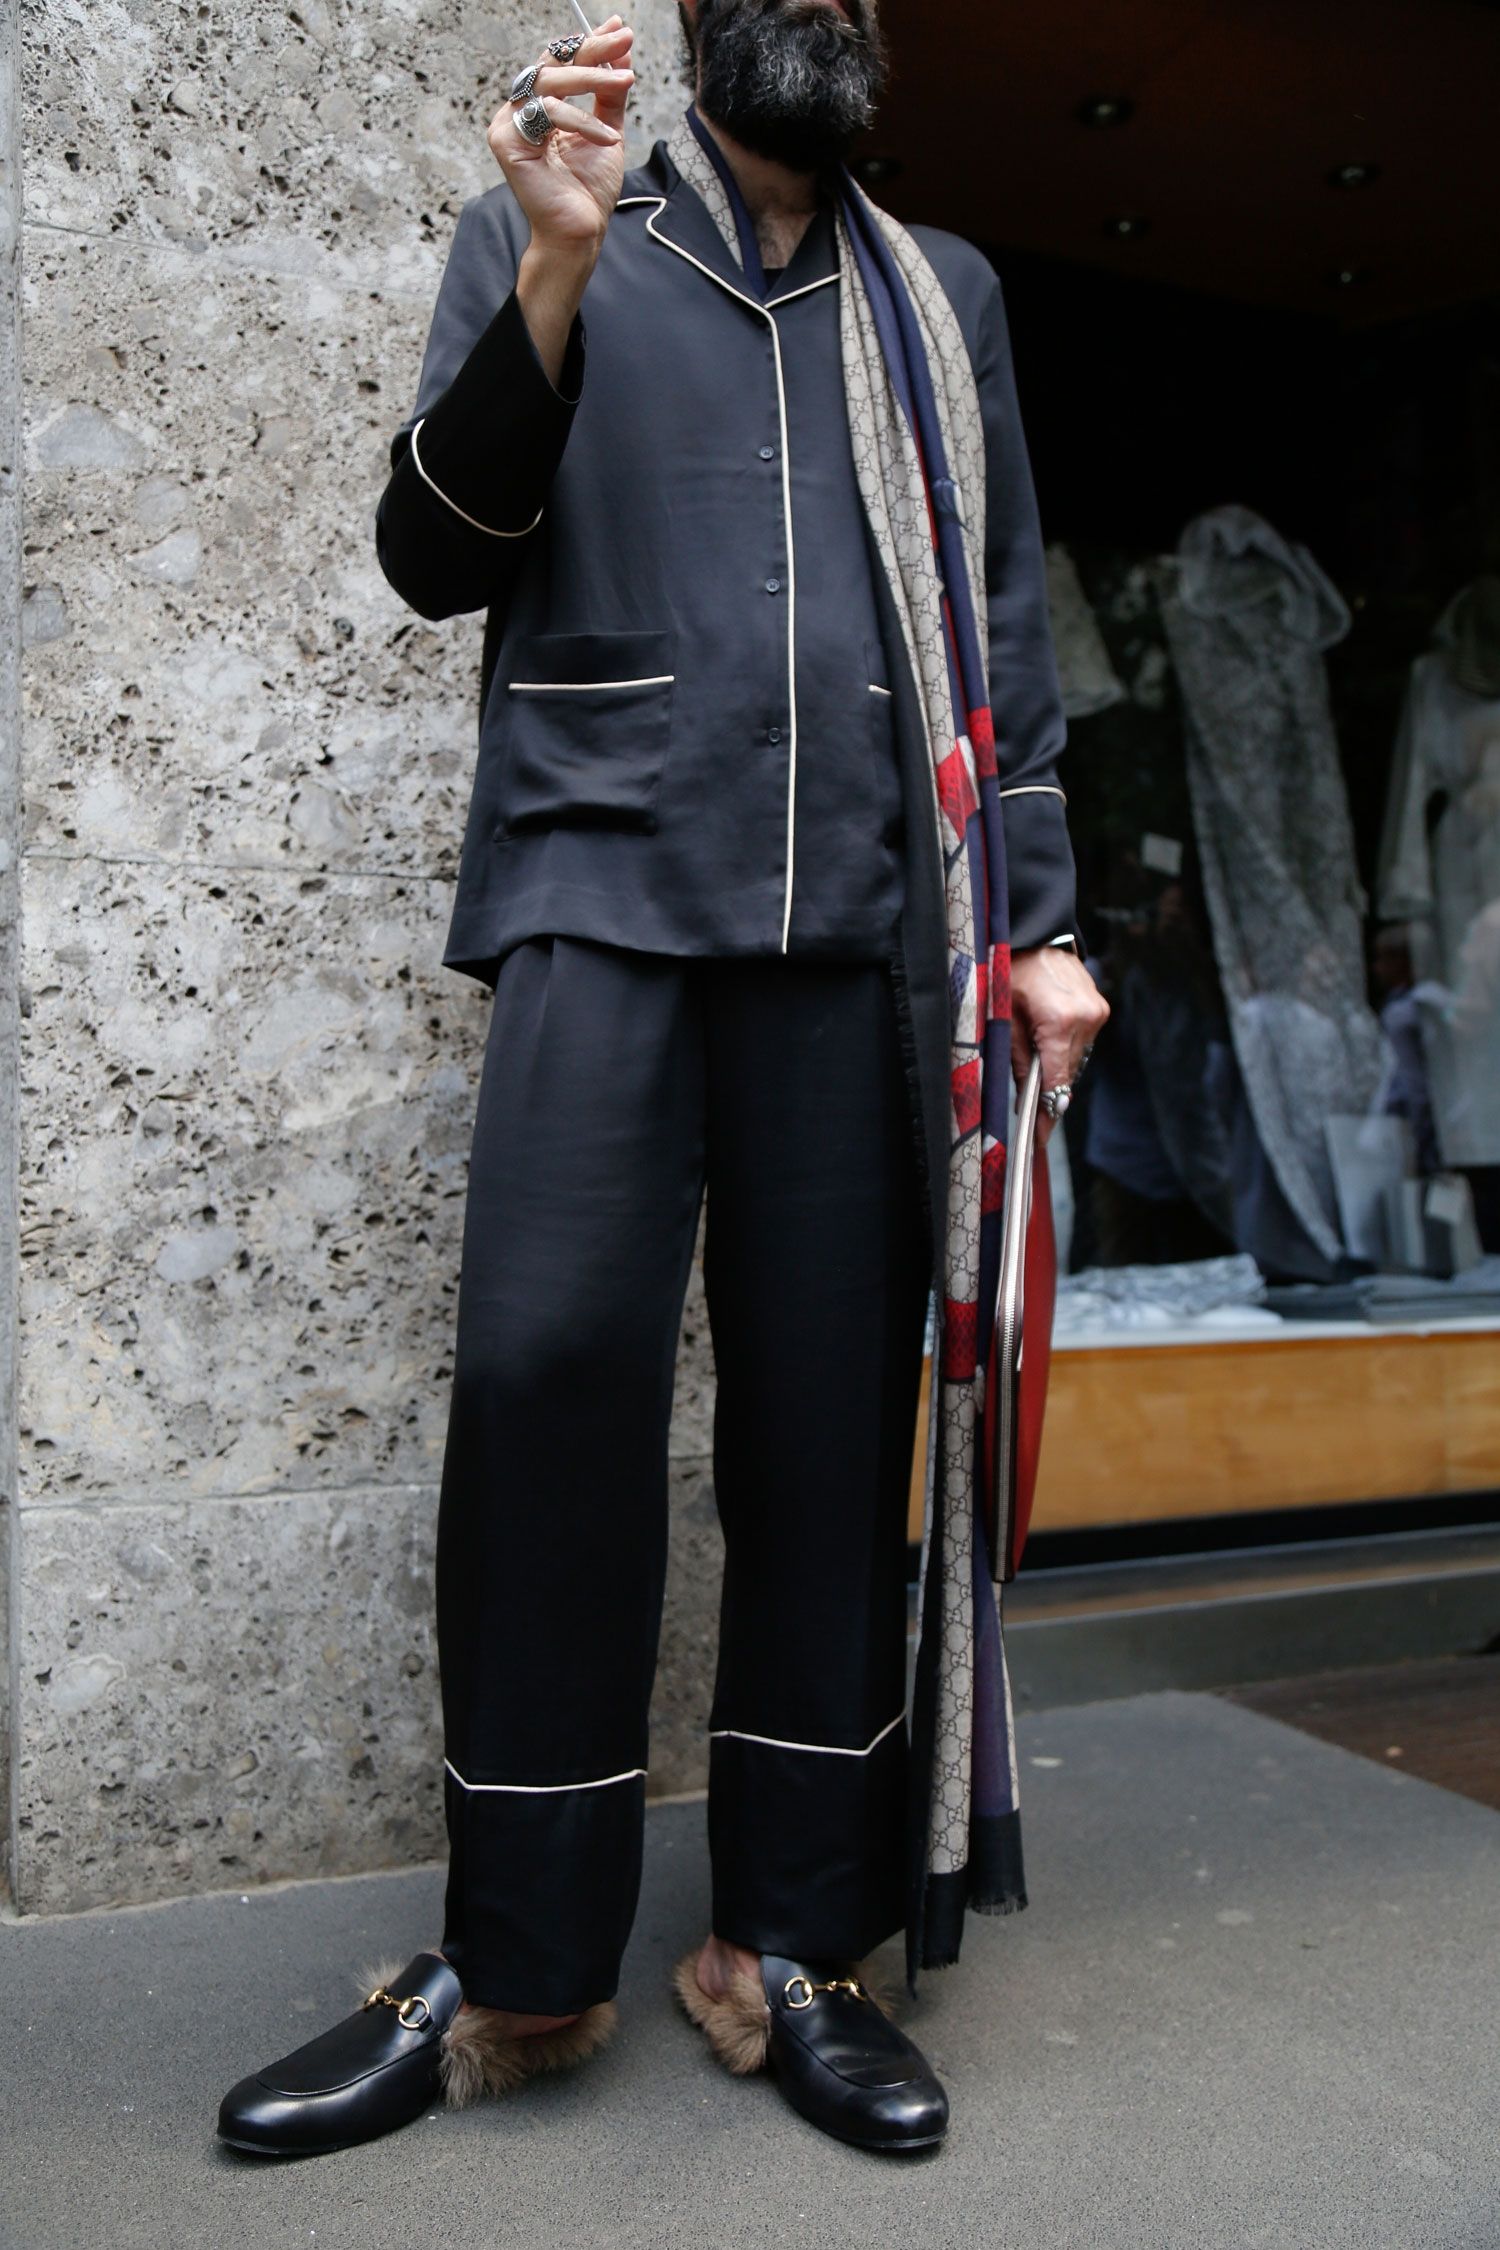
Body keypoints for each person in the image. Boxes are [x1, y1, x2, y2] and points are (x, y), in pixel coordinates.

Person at [218, 0, 1107, 2162]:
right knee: (542, 1386)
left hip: (866, 924)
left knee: (830, 1430)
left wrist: (1038, 923)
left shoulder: (939, 296)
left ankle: (786, 1944)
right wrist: (548, 261)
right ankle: (520, 1963)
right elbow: (432, 555)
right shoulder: (556, 225)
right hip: (599, 889)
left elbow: (997, 627)